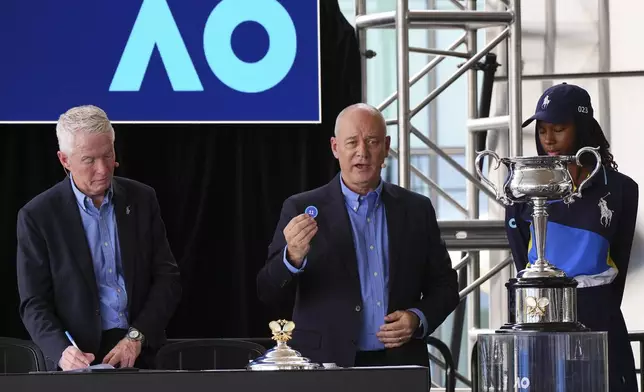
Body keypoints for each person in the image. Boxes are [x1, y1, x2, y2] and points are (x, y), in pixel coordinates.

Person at [257, 103, 459, 369]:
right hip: (325, 367)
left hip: (399, 366)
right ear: (335, 148)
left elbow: (445, 287)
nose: (362, 152)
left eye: (372, 141)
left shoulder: (416, 210)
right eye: (352, 142)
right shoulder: (300, 208)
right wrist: (291, 257)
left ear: (386, 147)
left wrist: (417, 317)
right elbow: (266, 290)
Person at [16, 105, 182, 371]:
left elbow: (167, 278)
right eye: (89, 160)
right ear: (65, 160)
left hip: (140, 350)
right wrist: (62, 350)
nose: (103, 169)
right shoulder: (37, 216)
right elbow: (33, 303)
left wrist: (137, 336)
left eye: (108, 155)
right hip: (78, 359)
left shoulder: (142, 199)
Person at [505, 83, 639, 392]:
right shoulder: (522, 191)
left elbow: (619, 259)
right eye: (542, 130)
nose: (548, 139)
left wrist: (596, 309)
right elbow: (524, 265)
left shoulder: (621, 190)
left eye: (559, 129)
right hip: (540, 320)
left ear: (582, 130)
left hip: (601, 322)